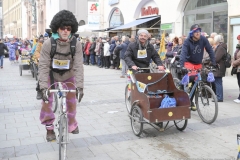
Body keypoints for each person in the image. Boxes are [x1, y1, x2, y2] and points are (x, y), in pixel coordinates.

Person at [38, 10, 84, 142]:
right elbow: (43, 66)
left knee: (72, 101)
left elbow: (78, 66)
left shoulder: (76, 44)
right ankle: (49, 128)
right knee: (46, 101)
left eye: (68, 28)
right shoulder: (48, 44)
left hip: (69, 75)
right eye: (62, 28)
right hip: (51, 75)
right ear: (57, 28)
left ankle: (71, 123)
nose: (65, 31)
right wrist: (43, 88)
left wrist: (80, 87)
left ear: (72, 30)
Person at [180, 24, 217, 110]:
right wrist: (182, 66)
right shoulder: (187, 41)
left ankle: (190, 101)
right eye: (195, 32)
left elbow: (210, 50)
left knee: (196, 83)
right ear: (191, 33)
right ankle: (181, 87)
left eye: (199, 31)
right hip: (188, 63)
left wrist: (214, 62)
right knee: (189, 79)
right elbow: (183, 54)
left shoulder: (203, 39)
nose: (198, 33)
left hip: (198, 64)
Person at [212, 35, 227, 102]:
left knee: (218, 82)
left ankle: (219, 97)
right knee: (218, 82)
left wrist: (211, 61)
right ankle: (219, 96)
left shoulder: (220, 48)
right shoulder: (221, 47)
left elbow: (216, 58)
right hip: (219, 67)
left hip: (219, 67)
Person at [232, 35, 240, 103]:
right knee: (239, 83)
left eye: (239, 39)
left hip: (238, 67)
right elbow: (234, 56)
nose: (238, 40)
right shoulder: (238, 47)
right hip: (238, 68)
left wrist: (234, 63)